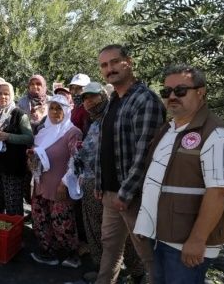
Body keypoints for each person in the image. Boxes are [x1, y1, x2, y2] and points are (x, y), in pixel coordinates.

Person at [134, 65, 224, 284]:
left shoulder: (218, 135)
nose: (172, 96)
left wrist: (197, 240)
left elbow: (219, 192)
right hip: (160, 236)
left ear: (201, 92)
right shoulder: (169, 129)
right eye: (166, 92)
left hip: (186, 244)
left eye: (180, 90)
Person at [94, 44, 165, 284]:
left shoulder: (145, 101)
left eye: (114, 62)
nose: (109, 69)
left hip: (135, 196)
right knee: (110, 247)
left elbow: (146, 155)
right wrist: (100, 181)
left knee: (149, 254)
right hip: (111, 193)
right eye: (104, 65)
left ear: (129, 62)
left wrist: (125, 194)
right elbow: (105, 144)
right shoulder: (114, 98)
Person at [67, 82, 144, 282]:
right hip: (94, 183)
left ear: (104, 96)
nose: (89, 101)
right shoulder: (95, 121)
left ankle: (136, 273)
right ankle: (107, 273)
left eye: (94, 97)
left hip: (109, 187)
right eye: (85, 98)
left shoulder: (113, 120)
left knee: (118, 234)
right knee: (101, 232)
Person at [29, 95, 82, 268]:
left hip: (59, 186)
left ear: (66, 110)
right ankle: (48, 253)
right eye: (52, 108)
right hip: (41, 183)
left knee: (62, 222)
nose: (54, 112)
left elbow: (77, 161)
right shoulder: (43, 131)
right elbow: (38, 156)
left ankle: (72, 256)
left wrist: (64, 183)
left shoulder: (73, 132)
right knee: (41, 219)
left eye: (59, 108)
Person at [0, 81, 34, 215]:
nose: (3, 97)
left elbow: (29, 138)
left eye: (6, 94)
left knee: (13, 205)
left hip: (12, 167)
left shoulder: (19, 114)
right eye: (0, 93)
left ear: (11, 95)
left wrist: (8, 136)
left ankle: (15, 234)